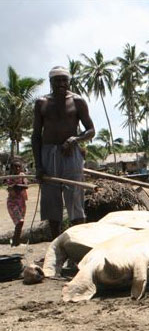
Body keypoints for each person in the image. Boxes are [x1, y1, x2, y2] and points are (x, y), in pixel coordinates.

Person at [31, 66, 95, 239]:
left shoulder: (77, 101)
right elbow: (36, 136)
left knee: (75, 196)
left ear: (69, 81)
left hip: (71, 153)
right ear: (50, 82)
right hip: (48, 153)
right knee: (51, 200)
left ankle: (79, 242)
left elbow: (91, 130)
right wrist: (38, 165)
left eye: (64, 80)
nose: (61, 83)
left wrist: (75, 139)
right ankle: (56, 244)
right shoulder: (42, 103)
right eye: (57, 80)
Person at [5, 157, 28, 246]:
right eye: (15, 167)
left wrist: (17, 186)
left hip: (22, 203)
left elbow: (26, 185)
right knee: (20, 221)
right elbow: (12, 191)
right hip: (13, 203)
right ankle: (15, 240)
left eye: (19, 167)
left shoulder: (22, 175)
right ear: (12, 168)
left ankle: (16, 241)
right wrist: (17, 186)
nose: (17, 169)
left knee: (20, 223)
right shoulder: (10, 178)